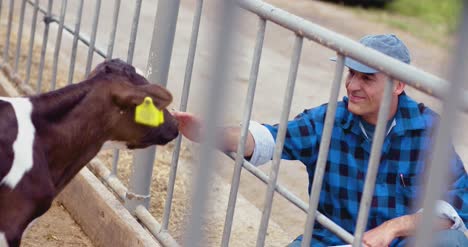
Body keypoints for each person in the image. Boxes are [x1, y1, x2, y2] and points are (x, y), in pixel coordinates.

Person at [173, 34, 468, 246]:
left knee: (451, 240)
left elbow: (459, 201)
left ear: (398, 85)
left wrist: (393, 228)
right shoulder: (328, 120)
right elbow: (268, 139)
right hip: (331, 241)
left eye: (366, 78)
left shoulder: (427, 129)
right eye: (351, 74)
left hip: (397, 244)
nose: (352, 85)